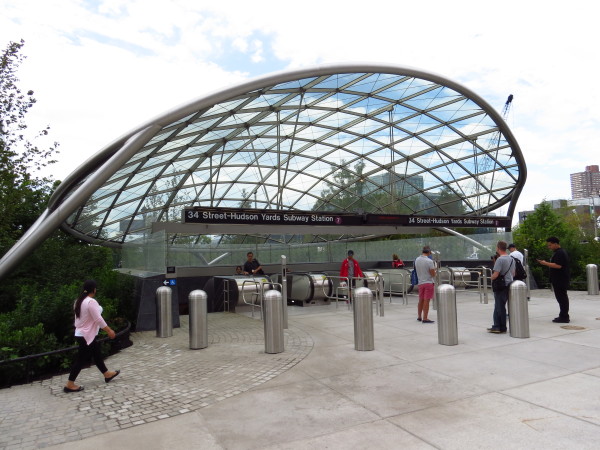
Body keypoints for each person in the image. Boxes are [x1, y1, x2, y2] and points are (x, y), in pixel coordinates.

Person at [64, 280, 120, 393]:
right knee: (80, 360)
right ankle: (69, 384)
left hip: (82, 333)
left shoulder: (78, 301)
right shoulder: (91, 302)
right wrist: (109, 330)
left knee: (96, 353)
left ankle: (106, 374)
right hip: (86, 335)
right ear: (94, 290)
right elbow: (98, 319)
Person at [537, 236, 570, 323]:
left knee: (562, 298)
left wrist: (545, 263)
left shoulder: (560, 253)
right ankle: (562, 315)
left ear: (556, 244)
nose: (549, 247)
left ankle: (564, 316)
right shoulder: (558, 252)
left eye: (550, 245)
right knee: (560, 297)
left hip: (560, 279)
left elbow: (558, 265)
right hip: (558, 279)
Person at [488, 241, 514, 334]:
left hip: (500, 286)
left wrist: (490, 278)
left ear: (498, 248)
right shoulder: (511, 259)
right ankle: (497, 325)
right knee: (500, 305)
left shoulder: (500, 260)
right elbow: (513, 273)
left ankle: (500, 327)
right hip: (509, 284)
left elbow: (496, 274)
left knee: (499, 306)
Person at [415, 246, 436, 323]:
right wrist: (435, 271)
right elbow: (433, 274)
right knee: (426, 300)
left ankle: (419, 316)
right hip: (428, 282)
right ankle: (425, 318)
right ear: (429, 252)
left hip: (420, 282)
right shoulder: (429, 261)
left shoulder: (417, 260)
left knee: (421, 300)